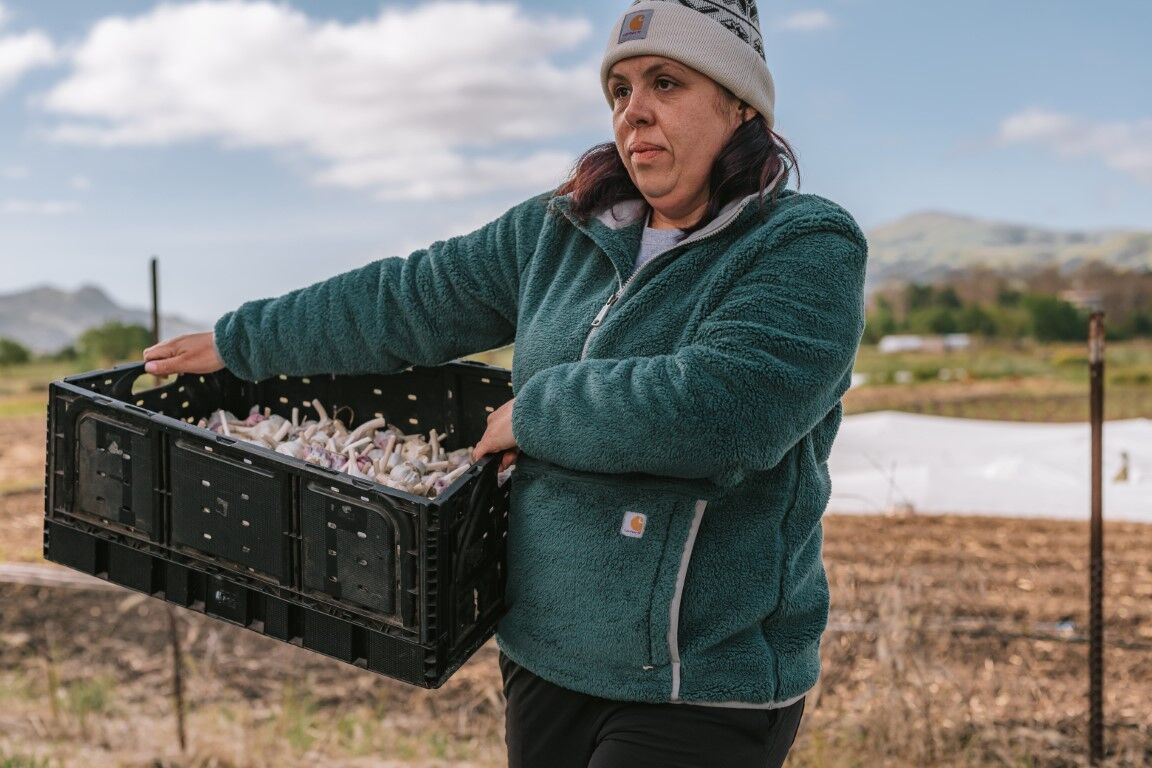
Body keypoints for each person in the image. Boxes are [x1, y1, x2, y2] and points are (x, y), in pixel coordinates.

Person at [143, 0, 868, 765]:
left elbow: (727, 410)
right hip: (544, 656)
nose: (635, 112)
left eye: (666, 84)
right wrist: (241, 341)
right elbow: (405, 299)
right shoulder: (562, 230)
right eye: (619, 90)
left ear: (740, 105)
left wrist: (536, 412)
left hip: (700, 685)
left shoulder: (803, 245)